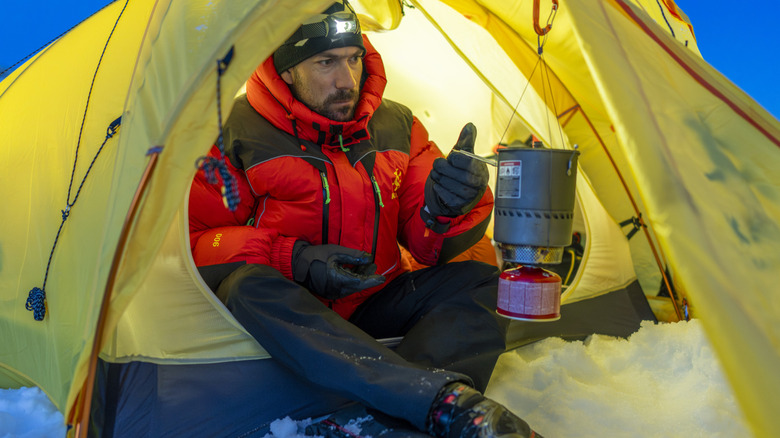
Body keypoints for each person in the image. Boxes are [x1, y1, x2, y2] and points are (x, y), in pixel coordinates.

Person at [188, 1, 541, 436]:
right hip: (291, 313)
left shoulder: (395, 124)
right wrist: (294, 260)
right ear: (287, 70)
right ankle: (432, 402)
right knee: (245, 286)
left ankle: (393, 411)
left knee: (486, 282)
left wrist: (449, 207)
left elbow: (426, 243)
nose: (347, 81)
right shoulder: (235, 132)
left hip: (373, 299)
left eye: (354, 59)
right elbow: (196, 242)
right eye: (326, 63)